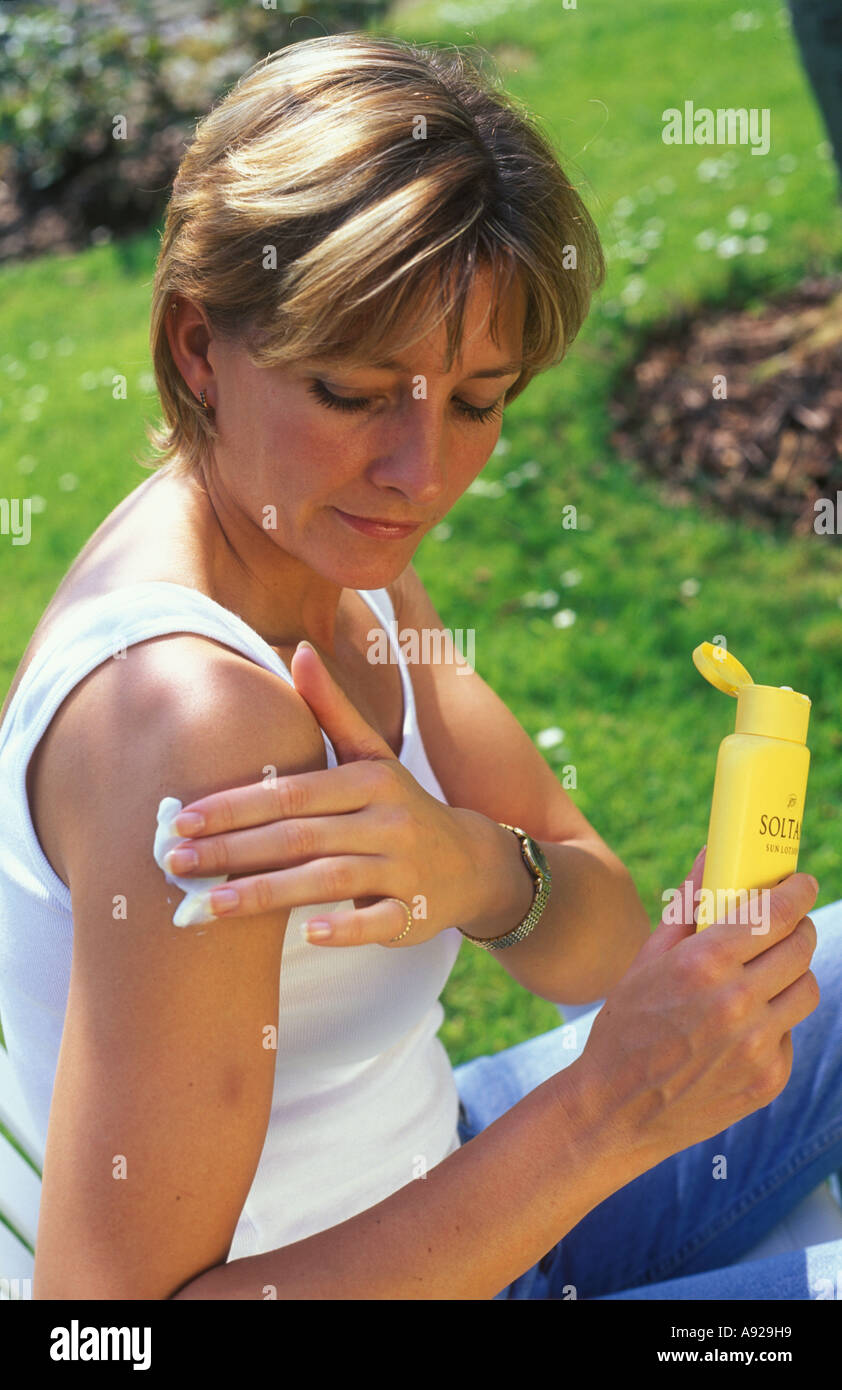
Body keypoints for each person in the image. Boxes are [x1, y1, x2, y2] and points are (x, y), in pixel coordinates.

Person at [0, 33, 838, 1302]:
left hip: (451, 1185)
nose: (421, 473)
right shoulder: (192, 721)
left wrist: (471, 867)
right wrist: (610, 1111)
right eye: (352, 392)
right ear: (194, 350)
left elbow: (597, 943)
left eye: (475, 399)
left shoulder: (334, 543)